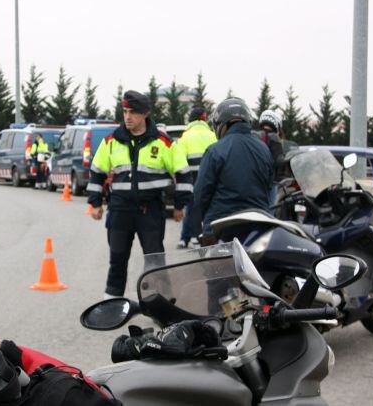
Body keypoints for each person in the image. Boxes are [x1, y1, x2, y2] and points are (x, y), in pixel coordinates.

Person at [87, 90, 192, 298]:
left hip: (150, 210)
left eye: (133, 112)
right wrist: (95, 202)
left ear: (145, 114)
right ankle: (113, 301)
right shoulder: (111, 141)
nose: (127, 116)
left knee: (155, 261)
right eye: (125, 111)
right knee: (117, 259)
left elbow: (183, 173)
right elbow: (97, 172)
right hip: (119, 209)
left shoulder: (163, 142)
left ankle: (159, 304)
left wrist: (180, 206)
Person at [194, 98, 274, 242]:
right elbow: (269, 187)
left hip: (221, 226)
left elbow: (201, 194)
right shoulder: (264, 149)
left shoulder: (215, 150)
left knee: (217, 265)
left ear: (221, 124)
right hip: (259, 224)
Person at [173, 106, 217, 249]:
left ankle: (187, 238)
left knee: (191, 207)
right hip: (210, 177)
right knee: (207, 208)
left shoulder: (185, 137)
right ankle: (200, 237)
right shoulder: (212, 135)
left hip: (190, 178)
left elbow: (179, 162)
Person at [254, 110, 297, 204]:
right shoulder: (274, 137)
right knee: (272, 209)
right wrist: (291, 157)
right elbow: (278, 161)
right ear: (276, 123)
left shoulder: (254, 136)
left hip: (254, 181)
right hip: (269, 184)